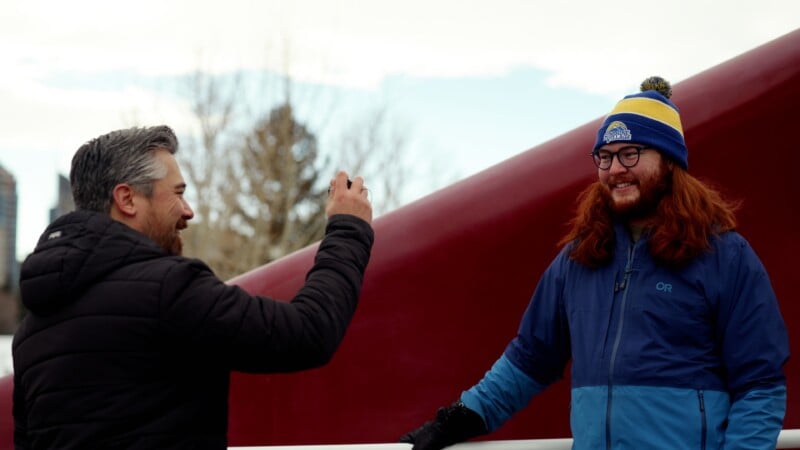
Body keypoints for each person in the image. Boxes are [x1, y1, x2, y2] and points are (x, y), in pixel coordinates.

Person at [400, 77, 789, 449]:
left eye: (630, 154)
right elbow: (530, 360)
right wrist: (456, 419)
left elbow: (760, 387)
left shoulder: (724, 255)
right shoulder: (579, 259)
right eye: (604, 157)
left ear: (669, 161)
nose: (615, 168)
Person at [12, 125, 374, 449]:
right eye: (177, 193)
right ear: (127, 199)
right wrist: (348, 229)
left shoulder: (31, 332)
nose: (188, 211)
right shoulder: (167, 289)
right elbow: (308, 333)